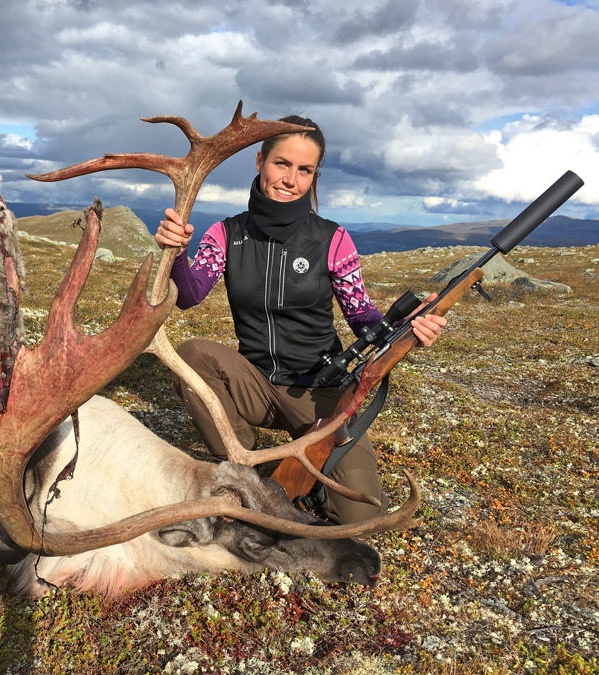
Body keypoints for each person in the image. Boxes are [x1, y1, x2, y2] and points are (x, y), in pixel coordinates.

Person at [155, 115, 446, 525]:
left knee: (361, 518)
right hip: (254, 384)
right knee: (193, 354)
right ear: (259, 161)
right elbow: (188, 295)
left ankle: (302, 482)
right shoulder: (226, 233)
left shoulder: (333, 238)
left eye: (304, 170)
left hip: (320, 392)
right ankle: (242, 475)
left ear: (314, 176)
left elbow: (363, 316)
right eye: (282, 163)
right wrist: (177, 252)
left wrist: (408, 328)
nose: (290, 179)